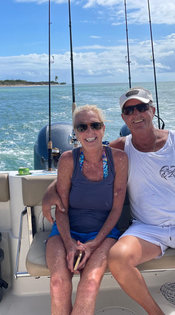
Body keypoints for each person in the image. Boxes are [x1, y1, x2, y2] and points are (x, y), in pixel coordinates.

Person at [43, 88, 175, 315]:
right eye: (129, 110)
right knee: (118, 258)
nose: (136, 114)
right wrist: (50, 190)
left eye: (141, 107)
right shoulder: (120, 148)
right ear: (123, 117)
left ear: (152, 110)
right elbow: (85, 159)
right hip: (147, 229)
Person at [45, 105, 128, 315]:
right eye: (82, 127)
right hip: (66, 232)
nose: (89, 132)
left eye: (95, 125)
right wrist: (70, 245)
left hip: (104, 234)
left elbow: (117, 209)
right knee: (58, 283)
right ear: (75, 132)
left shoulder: (119, 159)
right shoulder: (67, 159)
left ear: (103, 128)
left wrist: (92, 245)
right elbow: (61, 210)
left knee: (89, 284)